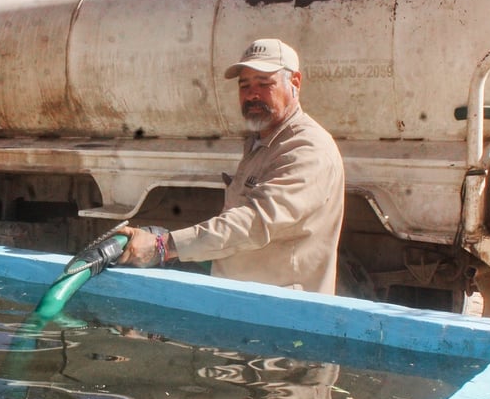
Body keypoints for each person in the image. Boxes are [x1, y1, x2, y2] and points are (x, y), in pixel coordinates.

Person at [117, 38, 345, 294]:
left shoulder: (307, 149)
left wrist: (164, 246)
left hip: (284, 312)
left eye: (264, 83)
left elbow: (254, 222)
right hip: (245, 302)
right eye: (244, 85)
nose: (251, 94)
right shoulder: (261, 141)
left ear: (295, 83)